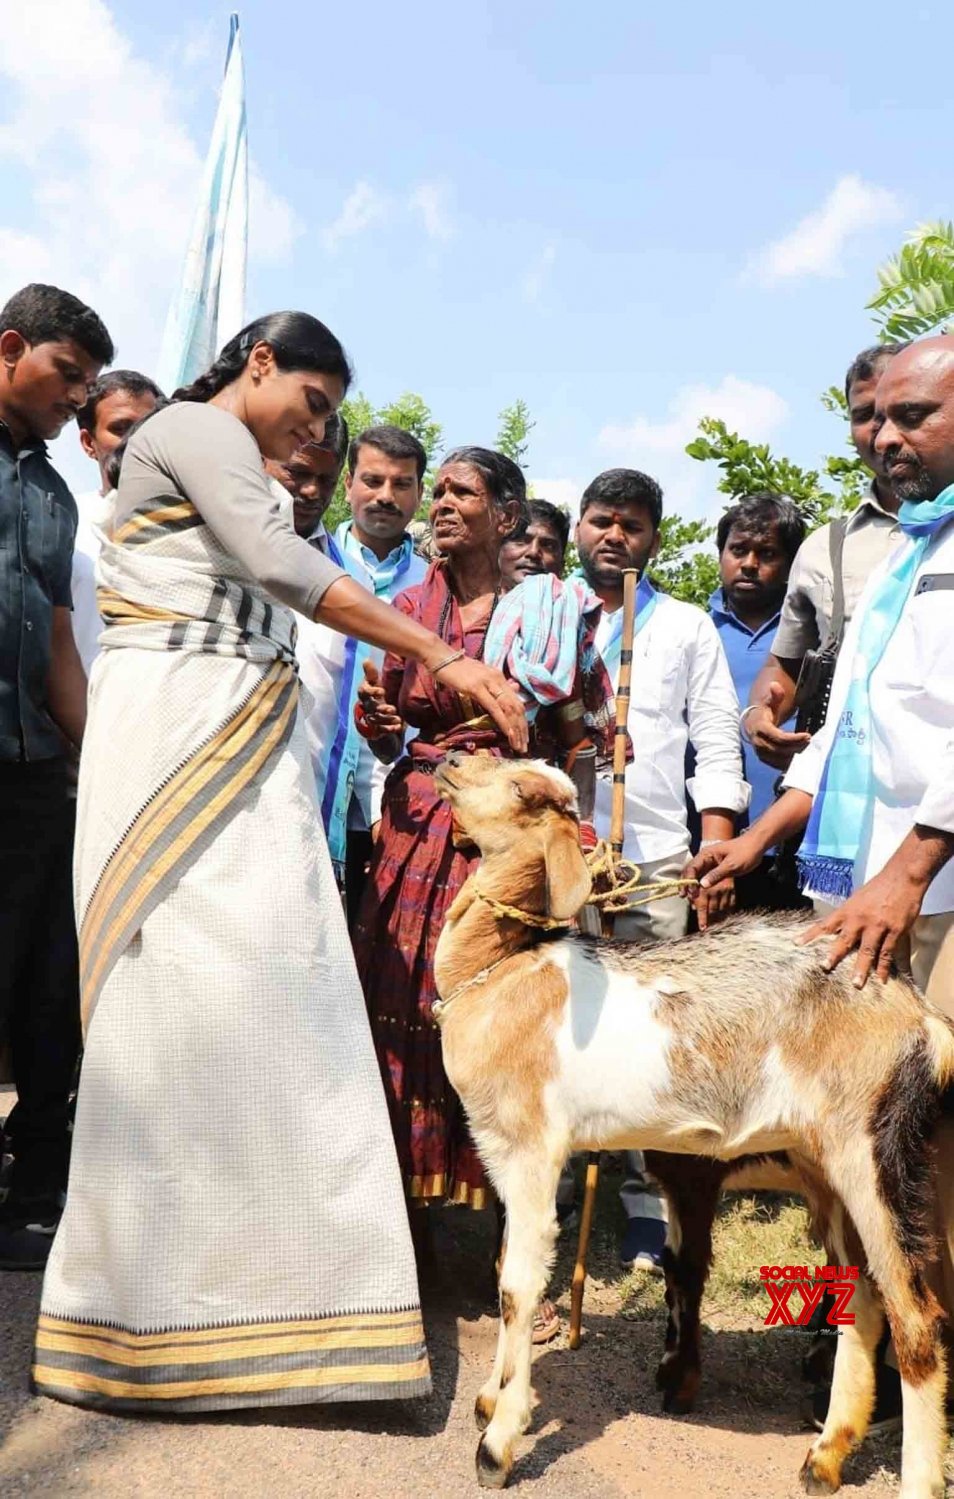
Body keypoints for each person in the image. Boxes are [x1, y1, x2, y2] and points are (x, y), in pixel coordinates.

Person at [32, 313, 527, 1413]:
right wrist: (441, 648)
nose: (318, 432)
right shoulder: (192, 432)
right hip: (180, 746)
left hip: (237, 747)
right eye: (311, 403)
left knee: (272, 1016)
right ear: (259, 365)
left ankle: (280, 1311)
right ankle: (149, 1317)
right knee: (177, 1021)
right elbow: (279, 565)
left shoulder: (223, 456)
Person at [686, 335, 954, 1425]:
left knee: (925, 1152)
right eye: (874, 418)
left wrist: (908, 870)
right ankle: (848, 1354)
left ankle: (923, 1368)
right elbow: (843, 731)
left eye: (914, 417)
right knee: (833, 1149)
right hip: (850, 895)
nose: (886, 438)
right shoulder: (878, 553)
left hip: (927, 901)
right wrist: (755, 841)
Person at [353, 449, 612, 1219]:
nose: (439, 504)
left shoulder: (548, 613)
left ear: (505, 517)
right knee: (403, 998)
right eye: (437, 491)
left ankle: (511, 1224)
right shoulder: (402, 606)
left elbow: (578, 738)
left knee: (507, 1014)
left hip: (506, 844)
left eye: (460, 492)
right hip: (417, 828)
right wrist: (381, 723)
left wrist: (580, 833)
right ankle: (407, 1228)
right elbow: (383, 734)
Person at [574, 468, 748, 1273]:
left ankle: (648, 1205)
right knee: (566, 1029)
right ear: (579, 527)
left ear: (655, 538)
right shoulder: (548, 615)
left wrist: (714, 851)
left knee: (649, 1042)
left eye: (633, 526)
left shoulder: (682, 627)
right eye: (601, 520)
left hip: (652, 863)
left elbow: (716, 739)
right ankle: (559, 1193)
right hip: (565, 864)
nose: (615, 536)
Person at [0, 284, 113, 1272]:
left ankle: (33, 1191)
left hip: (35, 769)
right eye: (66, 375)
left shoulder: (53, 493)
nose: (78, 401)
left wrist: (101, 760)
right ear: (9, 348)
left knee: (41, 984)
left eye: (87, 385)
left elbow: (62, 643)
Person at [744, 343, 906, 770]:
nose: (880, 428)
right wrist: (761, 714)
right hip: (845, 790)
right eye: (863, 414)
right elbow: (784, 666)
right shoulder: (825, 548)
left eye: (899, 409)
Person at [330, 426, 429, 922]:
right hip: (310, 787)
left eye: (401, 484)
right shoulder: (313, 562)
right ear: (348, 482)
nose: (385, 496)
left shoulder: (434, 587)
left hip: (393, 802)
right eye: (372, 480)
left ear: (419, 494)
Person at [708, 492, 807, 907]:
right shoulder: (691, 630)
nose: (749, 563)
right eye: (738, 550)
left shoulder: (809, 637)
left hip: (792, 847)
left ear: (790, 563)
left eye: (766, 553)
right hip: (708, 842)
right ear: (721, 554)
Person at [72, 372, 165, 672]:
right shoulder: (62, 521)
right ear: (88, 443)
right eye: (120, 428)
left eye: (147, 428)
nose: (135, 441)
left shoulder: (191, 527)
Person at [498, 497, 569, 587]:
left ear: (561, 565)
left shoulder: (580, 600)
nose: (533, 552)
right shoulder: (476, 598)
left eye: (547, 546)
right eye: (521, 540)